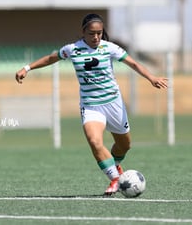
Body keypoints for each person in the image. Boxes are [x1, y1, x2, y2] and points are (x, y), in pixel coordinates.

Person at [15, 13, 168, 196]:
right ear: (83, 32)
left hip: (113, 103)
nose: (96, 37)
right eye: (92, 33)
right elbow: (50, 58)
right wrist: (27, 68)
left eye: (99, 33)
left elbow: (133, 63)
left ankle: (115, 166)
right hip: (91, 106)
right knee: (95, 141)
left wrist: (151, 77)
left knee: (124, 145)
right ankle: (115, 179)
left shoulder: (109, 47)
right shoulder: (72, 49)